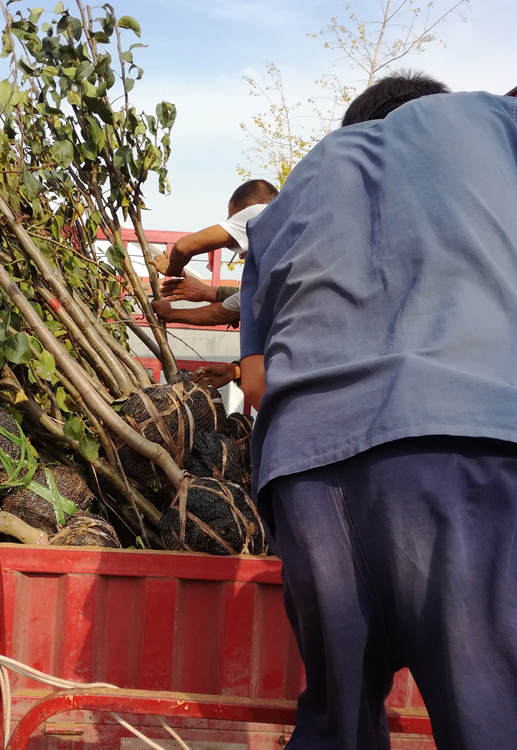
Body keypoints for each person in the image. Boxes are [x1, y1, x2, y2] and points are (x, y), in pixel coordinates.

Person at [239, 72, 517, 749]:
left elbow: (253, 381)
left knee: (339, 722)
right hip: (464, 442)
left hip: (306, 476)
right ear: (436, 104)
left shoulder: (292, 194)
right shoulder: (491, 122)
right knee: (492, 717)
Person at [151, 179, 277, 388]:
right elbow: (225, 311)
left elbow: (185, 246)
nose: (239, 255)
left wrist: (171, 269)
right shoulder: (272, 272)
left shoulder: (262, 213)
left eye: (232, 219)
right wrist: (171, 314)